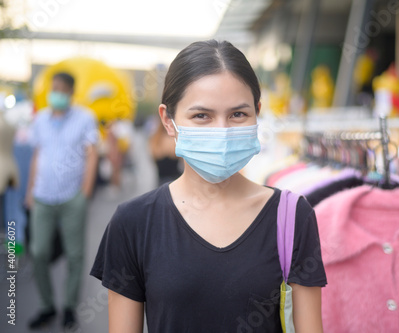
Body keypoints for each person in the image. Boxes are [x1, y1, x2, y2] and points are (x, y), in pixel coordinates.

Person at [90, 40, 327, 333]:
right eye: (202, 116)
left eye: (238, 114)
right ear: (168, 120)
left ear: (257, 113)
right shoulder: (133, 222)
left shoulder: (292, 217)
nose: (222, 131)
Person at [26, 72, 99, 330]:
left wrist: (85, 192)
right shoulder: (41, 119)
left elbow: (92, 154)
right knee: (38, 251)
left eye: (61, 89)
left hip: (72, 197)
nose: (55, 93)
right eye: (53, 88)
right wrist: (29, 191)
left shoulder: (85, 118)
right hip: (42, 195)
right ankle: (47, 305)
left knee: (75, 254)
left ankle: (69, 307)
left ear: (70, 92)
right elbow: (37, 154)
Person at [148, 120, 181, 185]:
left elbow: (153, 155)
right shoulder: (173, 140)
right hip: (175, 179)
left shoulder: (155, 139)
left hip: (160, 180)